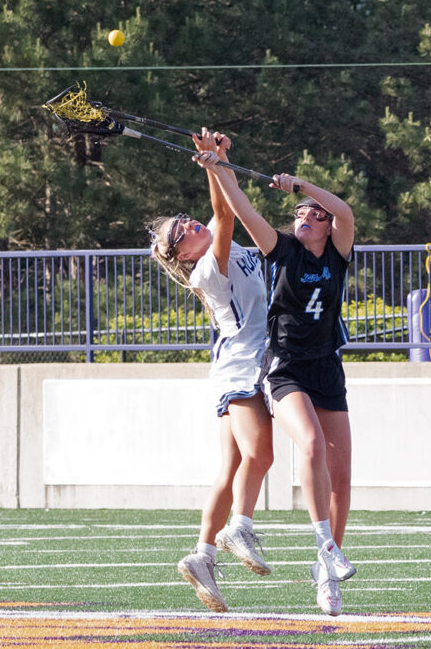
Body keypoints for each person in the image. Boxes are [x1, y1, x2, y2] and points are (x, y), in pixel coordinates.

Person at [193, 149, 356, 617]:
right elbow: (241, 209)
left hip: (327, 366)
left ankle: (325, 576)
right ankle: (326, 546)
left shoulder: (339, 252)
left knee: (341, 477)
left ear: (326, 226)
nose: (305, 216)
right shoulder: (282, 250)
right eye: (300, 213)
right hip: (284, 367)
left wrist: (302, 186)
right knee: (310, 446)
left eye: (313, 214)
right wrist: (218, 166)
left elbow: (345, 211)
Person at [149, 129, 274, 613]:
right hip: (240, 367)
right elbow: (223, 213)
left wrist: (221, 160)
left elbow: (233, 206)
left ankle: (201, 555)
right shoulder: (208, 268)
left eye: (184, 222)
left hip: (248, 363)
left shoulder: (230, 249)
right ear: (182, 256)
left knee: (232, 466)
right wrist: (210, 170)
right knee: (259, 455)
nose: (188, 226)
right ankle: (238, 527)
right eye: (180, 234)